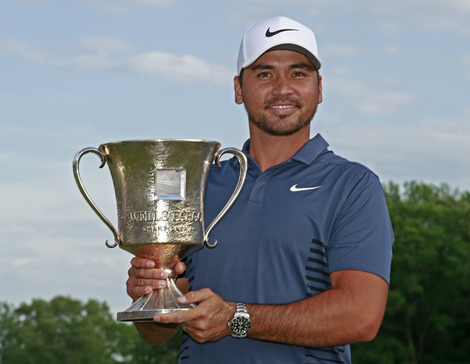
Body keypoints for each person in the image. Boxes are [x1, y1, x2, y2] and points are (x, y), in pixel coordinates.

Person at [126, 16, 394, 363]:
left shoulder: (353, 185)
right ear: (239, 89)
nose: (283, 88)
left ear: (319, 88)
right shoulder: (198, 184)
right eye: (264, 73)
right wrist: (152, 292)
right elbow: (154, 333)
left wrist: (235, 319)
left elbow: (361, 317)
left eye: (298, 73)